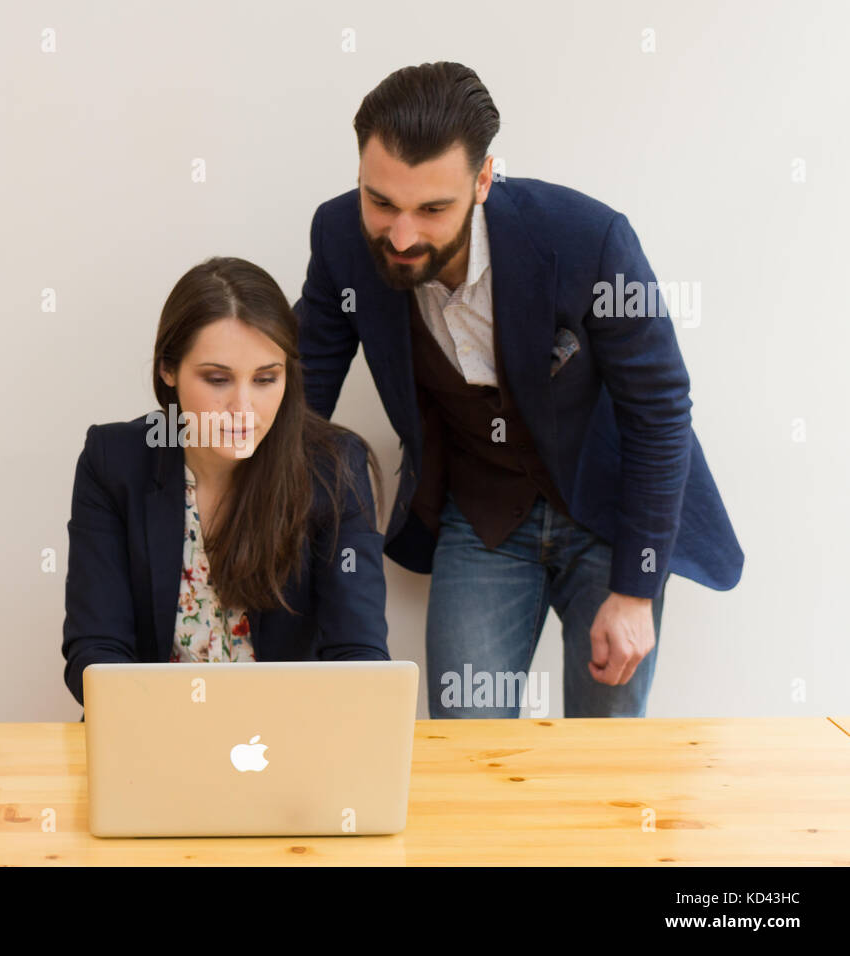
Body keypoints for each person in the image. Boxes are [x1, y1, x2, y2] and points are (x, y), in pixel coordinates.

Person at [292, 62, 743, 718]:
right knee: (465, 745)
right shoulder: (339, 238)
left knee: (606, 751)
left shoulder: (588, 240)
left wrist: (638, 589)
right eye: (381, 200)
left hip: (607, 513)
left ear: (482, 180)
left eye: (432, 208)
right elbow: (303, 399)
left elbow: (661, 409)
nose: (401, 235)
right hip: (478, 516)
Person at [62, 256, 390, 708]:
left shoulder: (335, 468)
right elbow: (94, 653)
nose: (242, 407)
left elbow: (360, 656)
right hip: (152, 736)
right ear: (168, 370)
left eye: (265, 379)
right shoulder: (114, 462)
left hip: (290, 742)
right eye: (217, 379)